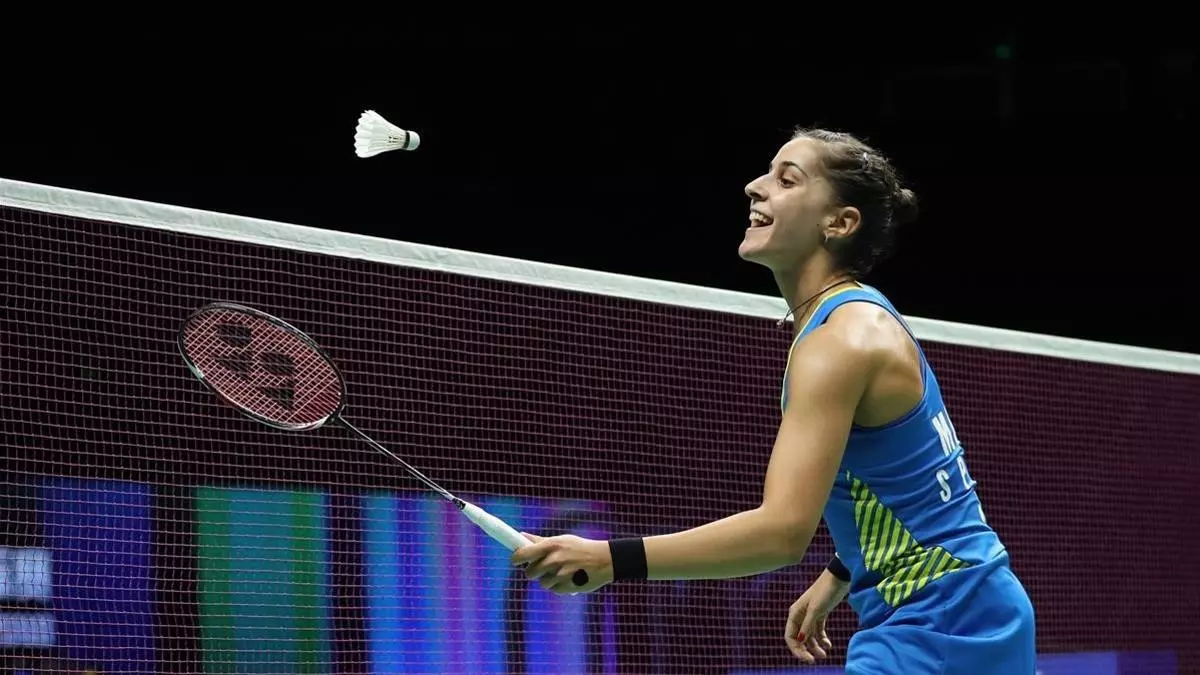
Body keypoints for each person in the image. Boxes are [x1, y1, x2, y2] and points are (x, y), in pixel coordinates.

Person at [511, 128, 1037, 674]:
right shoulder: (860, 315)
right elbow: (912, 476)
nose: (754, 187)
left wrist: (608, 559)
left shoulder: (839, 342)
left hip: (941, 620)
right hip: (971, 602)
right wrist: (842, 570)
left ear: (840, 223)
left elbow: (781, 534)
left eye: (787, 180)